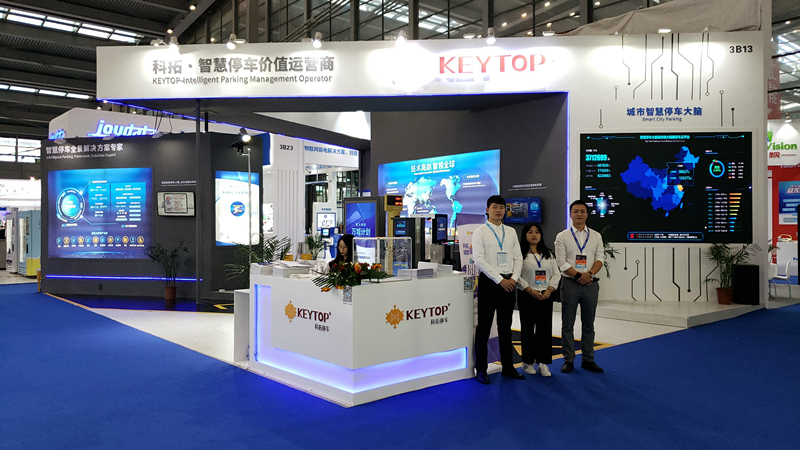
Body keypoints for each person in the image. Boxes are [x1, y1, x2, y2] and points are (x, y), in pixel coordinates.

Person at [473, 195, 524, 384]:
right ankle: (481, 369)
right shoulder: (480, 232)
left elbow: (518, 257)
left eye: (501, 207)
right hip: (489, 282)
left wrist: (514, 279)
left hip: (509, 283)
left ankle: (508, 367)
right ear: (487, 210)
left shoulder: (510, 232)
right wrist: (500, 280)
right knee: (484, 327)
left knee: (505, 327)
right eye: (495, 207)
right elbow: (479, 260)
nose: (498, 210)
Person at [554, 200, 605, 374]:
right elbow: (561, 261)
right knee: (568, 324)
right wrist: (578, 276)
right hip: (570, 284)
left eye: (582, 211)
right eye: (575, 211)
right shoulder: (562, 236)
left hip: (590, 284)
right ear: (570, 215)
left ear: (587, 214)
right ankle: (568, 360)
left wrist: (589, 274)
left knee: (589, 324)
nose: (579, 214)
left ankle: (588, 360)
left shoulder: (596, 236)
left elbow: (600, 258)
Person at [517, 222, 560, 377]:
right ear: (525, 235)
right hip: (527, 295)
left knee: (545, 329)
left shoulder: (548, 254)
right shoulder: (519, 254)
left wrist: (550, 290)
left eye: (537, 232)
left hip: (546, 296)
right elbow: (516, 275)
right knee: (527, 329)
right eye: (530, 232)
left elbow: (556, 274)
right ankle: (527, 362)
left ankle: (543, 363)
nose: (534, 235)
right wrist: (529, 290)